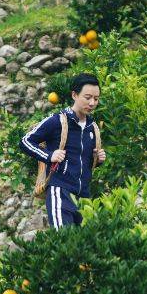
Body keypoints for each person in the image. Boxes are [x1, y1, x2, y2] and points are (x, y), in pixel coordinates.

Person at [20, 72, 106, 229]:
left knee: (83, 248)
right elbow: (26, 141)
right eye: (87, 97)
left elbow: (81, 162)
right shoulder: (57, 120)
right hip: (60, 192)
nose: (92, 103)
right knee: (64, 240)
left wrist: (97, 160)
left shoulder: (92, 128)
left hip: (84, 197)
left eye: (96, 98)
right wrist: (49, 155)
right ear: (74, 95)